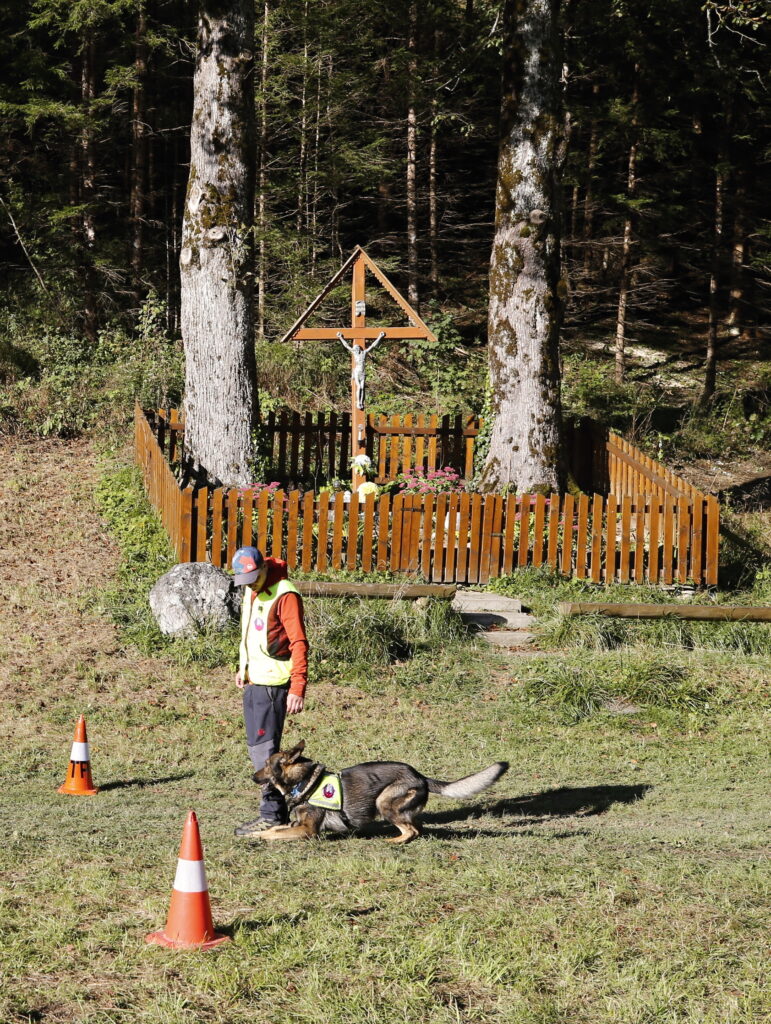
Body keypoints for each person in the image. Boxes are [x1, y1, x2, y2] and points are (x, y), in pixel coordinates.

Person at [230, 545, 309, 837]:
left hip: (274, 686)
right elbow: (253, 634)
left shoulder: (284, 594)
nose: (249, 584)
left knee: (265, 753)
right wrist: (244, 668)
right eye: (244, 580)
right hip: (254, 682)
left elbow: (299, 642)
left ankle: (273, 815)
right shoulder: (253, 589)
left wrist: (298, 686)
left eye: (252, 577)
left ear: (263, 568)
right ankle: (276, 811)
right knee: (256, 749)